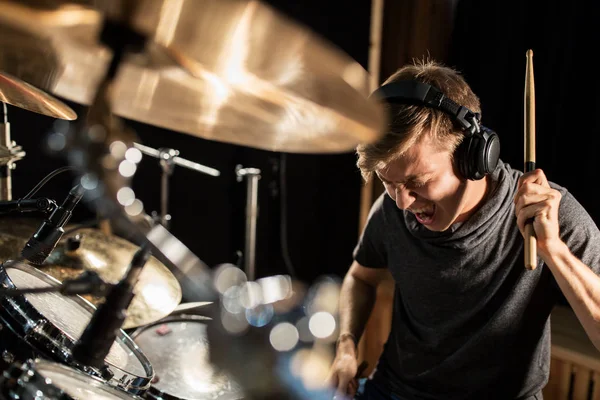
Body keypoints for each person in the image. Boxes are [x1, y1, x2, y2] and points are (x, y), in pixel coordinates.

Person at [326, 59, 600, 400]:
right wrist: (346, 346)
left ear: (474, 158)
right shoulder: (392, 210)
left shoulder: (550, 214)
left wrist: (554, 251)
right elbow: (360, 277)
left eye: (417, 182)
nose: (402, 202)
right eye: (388, 182)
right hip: (394, 391)